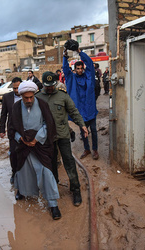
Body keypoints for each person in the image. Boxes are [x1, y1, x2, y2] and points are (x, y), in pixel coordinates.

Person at [8, 81, 61, 220]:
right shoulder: (15, 107)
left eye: (31, 97)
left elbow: (48, 124)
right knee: (22, 169)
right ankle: (22, 191)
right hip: (23, 145)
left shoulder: (42, 105)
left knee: (46, 172)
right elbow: (12, 127)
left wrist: (36, 139)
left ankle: (53, 204)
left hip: (40, 145)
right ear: (21, 96)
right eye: (26, 98)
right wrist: (21, 139)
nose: (29, 100)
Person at [36, 71, 88, 206]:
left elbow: (74, 111)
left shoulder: (62, 96)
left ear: (55, 83)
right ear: (43, 84)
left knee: (69, 162)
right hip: (47, 138)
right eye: (47, 86)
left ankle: (75, 189)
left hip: (62, 135)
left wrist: (82, 125)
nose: (49, 88)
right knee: (51, 163)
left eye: (51, 85)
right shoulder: (38, 97)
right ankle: (54, 188)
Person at [63, 48, 99, 160]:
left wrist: (80, 52)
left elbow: (89, 63)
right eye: (77, 68)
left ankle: (95, 149)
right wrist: (65, 56)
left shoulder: (89, 77)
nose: (79, 70)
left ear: (83, 69)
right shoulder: (71, 78)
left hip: (90, 109)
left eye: (81, 68)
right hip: (79, 111)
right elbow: (65, 69)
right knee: (84, 131)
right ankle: (87, 149)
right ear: (74, 69)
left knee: (93, 130)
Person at [0, 77, 22, 184]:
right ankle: (14, 172)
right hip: (12, 130)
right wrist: (2, 129)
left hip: (25, 130)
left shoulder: (28, 96)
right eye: (14, 88)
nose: (16, 90)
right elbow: (3, 114)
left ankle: (25, 174)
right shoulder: (7, 97)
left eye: (18, 88)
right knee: (13, 153)